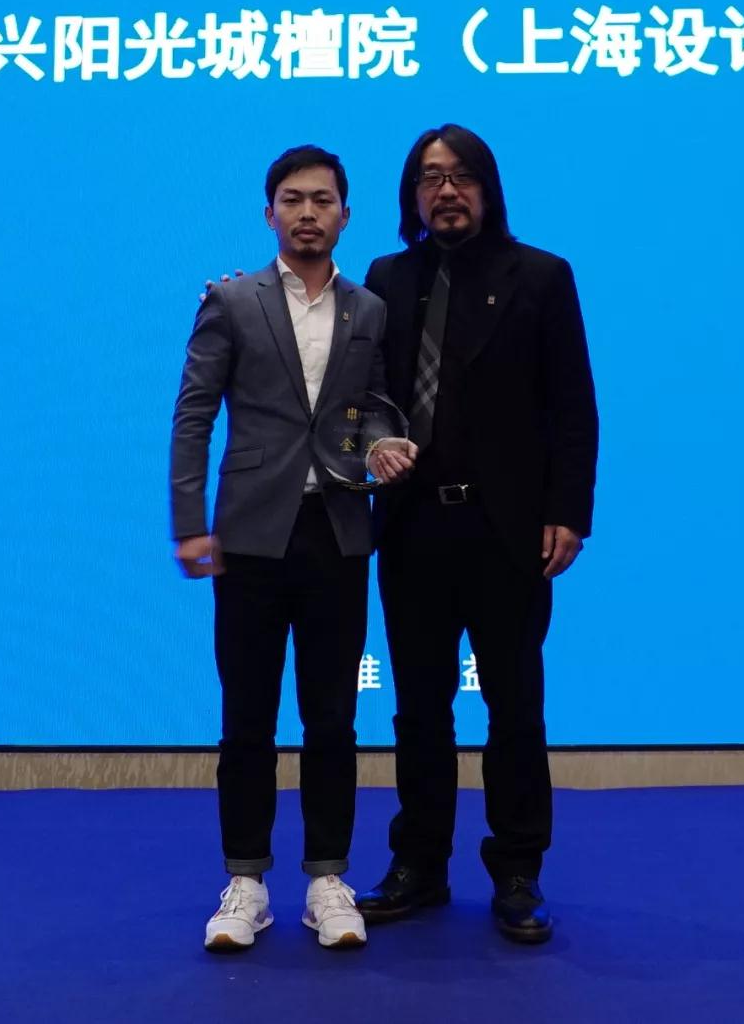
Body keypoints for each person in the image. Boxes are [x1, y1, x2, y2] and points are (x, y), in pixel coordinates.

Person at [354, 123, 598, 944]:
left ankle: (518, 871)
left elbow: (573, 408)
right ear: (411, 196)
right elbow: (366, 395)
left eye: (461, 176)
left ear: (488, 189)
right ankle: (419, 864)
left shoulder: (542, 276)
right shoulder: (386, 279)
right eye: (430, 178)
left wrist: (569, 512)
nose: (446, 190)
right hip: (414, 526)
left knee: (515, 707)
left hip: (508, 530)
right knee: (419, 711)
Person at [169, 144, 413, 952]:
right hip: (248, 535)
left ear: (346, 214)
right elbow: (195, 414)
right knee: (246, 718)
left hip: (337, 533)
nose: (309, 213)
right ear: (269, 212)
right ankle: (245, 881)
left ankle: (327, 879)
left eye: (323, 200)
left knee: (332, 719)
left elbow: (371, 408)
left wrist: (382, 444)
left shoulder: (368, 309)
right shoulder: (231, 300)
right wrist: (190, 521)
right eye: (293, 199)